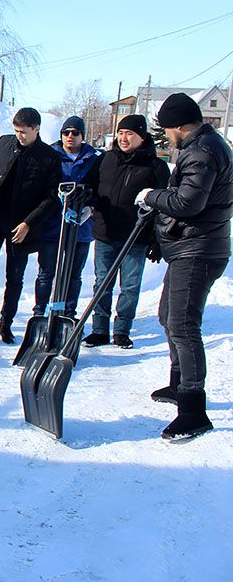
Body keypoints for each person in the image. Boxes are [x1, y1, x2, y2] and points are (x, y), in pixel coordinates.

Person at [135, 93, 232, 440]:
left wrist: (151, 196)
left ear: (178, 126)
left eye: (166, 129)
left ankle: (193, 410)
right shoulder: (204, 146)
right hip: (190, 246)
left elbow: (188, 202)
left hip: (199, 250)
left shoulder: (202, 151)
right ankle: (179, 384)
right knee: (168, 316)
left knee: (183, 325)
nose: (166, 136)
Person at [0, 108, 62, 346]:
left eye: (24, 132)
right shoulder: (3, 143)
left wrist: (29, 223)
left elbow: (51, 198)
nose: (19, 135)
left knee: (15, 278)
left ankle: (6, 325)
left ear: (36, 129)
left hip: (21, 226)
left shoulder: (49, 157)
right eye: (16, 130)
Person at [81, 114, 170, 349]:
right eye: (120, 133)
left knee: (130, 286)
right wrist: (87, 202)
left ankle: (122, 330)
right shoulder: (105, 160)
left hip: (135, 238)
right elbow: (90, 186)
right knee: (102, 284)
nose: (123, 138)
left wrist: (157, 239)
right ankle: (99, 330)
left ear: (142, 136)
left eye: (129, 133)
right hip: (105, 233)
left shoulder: (155, 166)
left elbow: (164, 207)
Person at [32, 116, 100, 319]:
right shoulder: (51, 155)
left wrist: (90, 207)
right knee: (46, 273)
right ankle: (40, 310)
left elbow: (101, 188)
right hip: (53, 225)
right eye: (66, 132)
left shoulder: (94, 159)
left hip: (81, 227)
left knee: (73, 274)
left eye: (75, 133)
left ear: (82, 136)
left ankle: (68, 312)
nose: (70, 136)